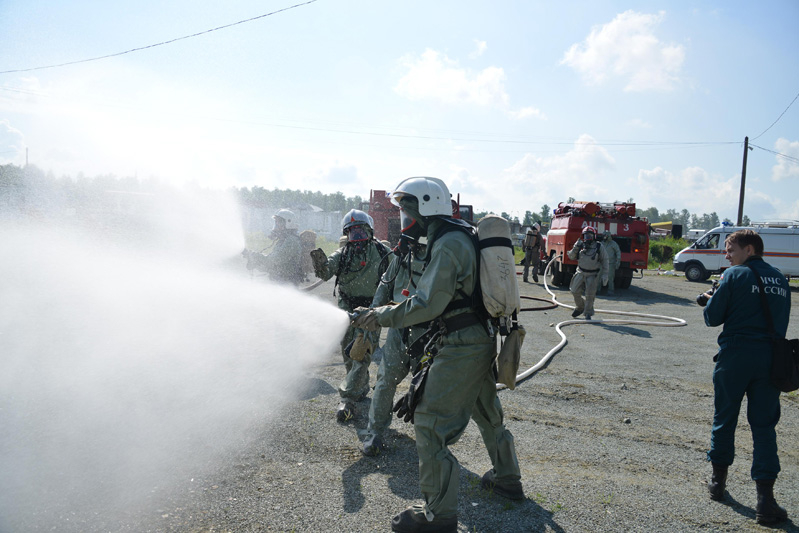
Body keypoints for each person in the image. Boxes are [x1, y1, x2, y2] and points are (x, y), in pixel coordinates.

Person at [353, 177, 522, 533]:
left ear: (426, 206)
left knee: (430, 423)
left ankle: (437, 515)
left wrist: (381, 315)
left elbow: (428, 303)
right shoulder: (458, 235)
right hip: (478, 341)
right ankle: (507, 479)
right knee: (487, 413)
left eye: (407, 208)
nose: (403, 217)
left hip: (461, 346)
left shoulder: (447, 245)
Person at [702, 229, 790, 525]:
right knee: (764, 427)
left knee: (725, 418)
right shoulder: (780, 278)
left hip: (736, 356)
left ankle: (717, 484)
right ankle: (766, 501)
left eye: (730, 248)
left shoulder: (734, 275)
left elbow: (712, 317)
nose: (725, 254)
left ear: (749, 249)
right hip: (770, 361)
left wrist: (715, 294)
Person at [310, 209, 390, 422]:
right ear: (347, 234)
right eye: (352, 233)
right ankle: (359, 386)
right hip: (346, 309)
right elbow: (325, 273)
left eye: (361, 232)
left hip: (372, 310)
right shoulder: (342, 255)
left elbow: (395, 276)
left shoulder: (382, 252)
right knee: (348, 352)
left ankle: (348, 399)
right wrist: (319, 262)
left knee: (362, 352)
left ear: (370, 231)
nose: (357, 237)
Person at [359, 235, 426, 456]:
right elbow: (385, 285)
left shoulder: (443, 252)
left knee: (427, 386)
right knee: (385, 379)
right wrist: (371, 316)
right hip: (399, 328)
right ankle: (375, 432)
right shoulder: (403, 253)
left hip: (429, 331)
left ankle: (429, 441)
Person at [243, 209, 304, 284]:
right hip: (280, 281)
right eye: (276, 222)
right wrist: (255, 263)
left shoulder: (291, 241)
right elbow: (270, 266)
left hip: (286, 283)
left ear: (288, 223)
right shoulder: (283, 240)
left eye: (279, 222)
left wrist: (256, 256)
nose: (276, 225)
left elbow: (273, 261)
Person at [567, 226, 608, 320]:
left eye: (589, 235)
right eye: (586, 236)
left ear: (594, 236)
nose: (587, 238)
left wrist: (605, 275)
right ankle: (580, 307)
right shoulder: (580, 245)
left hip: (592, 274)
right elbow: (572, 257)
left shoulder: (599, 247)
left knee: (590, 294)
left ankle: (588, 312)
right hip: (580, 271)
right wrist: (576, 247)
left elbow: (605, 261)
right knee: (574, 290)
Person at [602, 230, 621, 296]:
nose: (604, 237)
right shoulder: (602, 243)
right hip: (602, 263)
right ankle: (598, 290)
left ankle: (611, 290)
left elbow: (618, 252)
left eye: (605, 235)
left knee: (610, 278)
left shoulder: (613, 244)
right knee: (598, 277)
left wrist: (618, 261)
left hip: (611, 263)